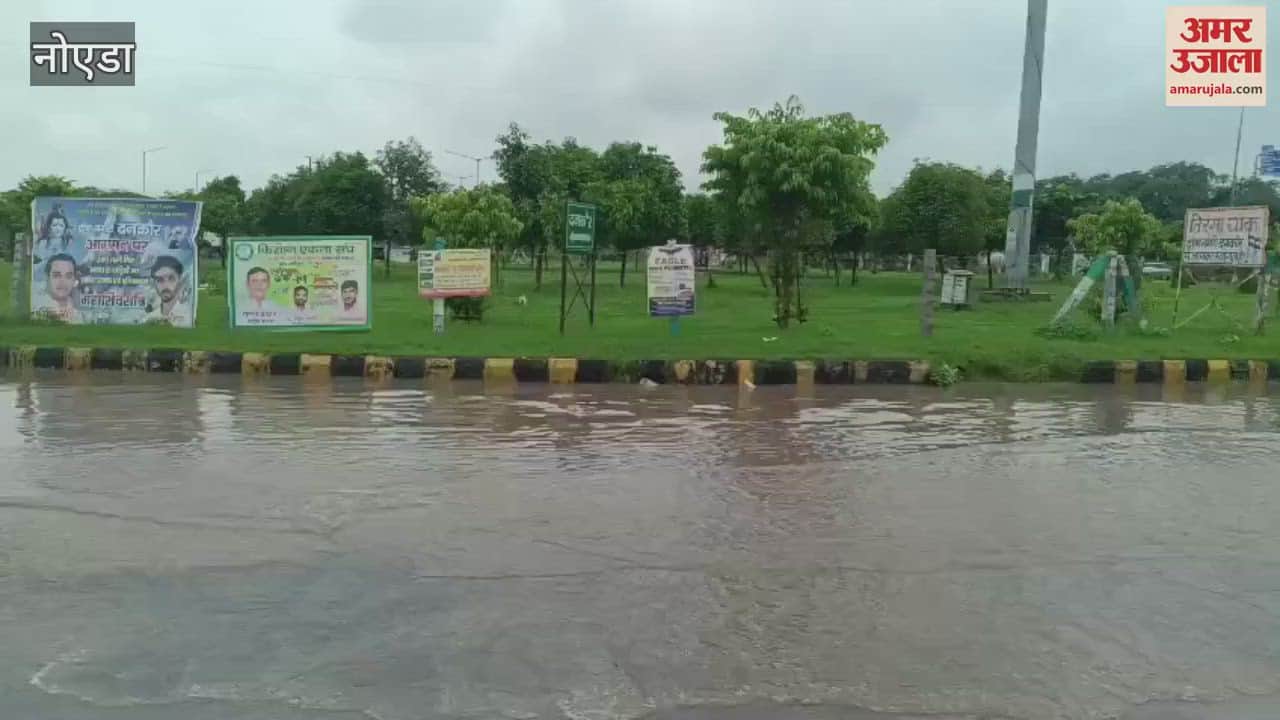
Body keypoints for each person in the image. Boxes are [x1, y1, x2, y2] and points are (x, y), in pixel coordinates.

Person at [31, 253, 80, 323]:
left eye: (68, 276)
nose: (62, 281)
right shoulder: (36, 309)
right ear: (47, 277)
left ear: (74, 279)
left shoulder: (80, 316)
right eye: (56, 275)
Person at [144, 255, 192, 326]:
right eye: (159, 280)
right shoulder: (150, 318)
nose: (166, 285)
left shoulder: (189, 316)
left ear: (180, 280)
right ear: (154, 283)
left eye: (171, 278)